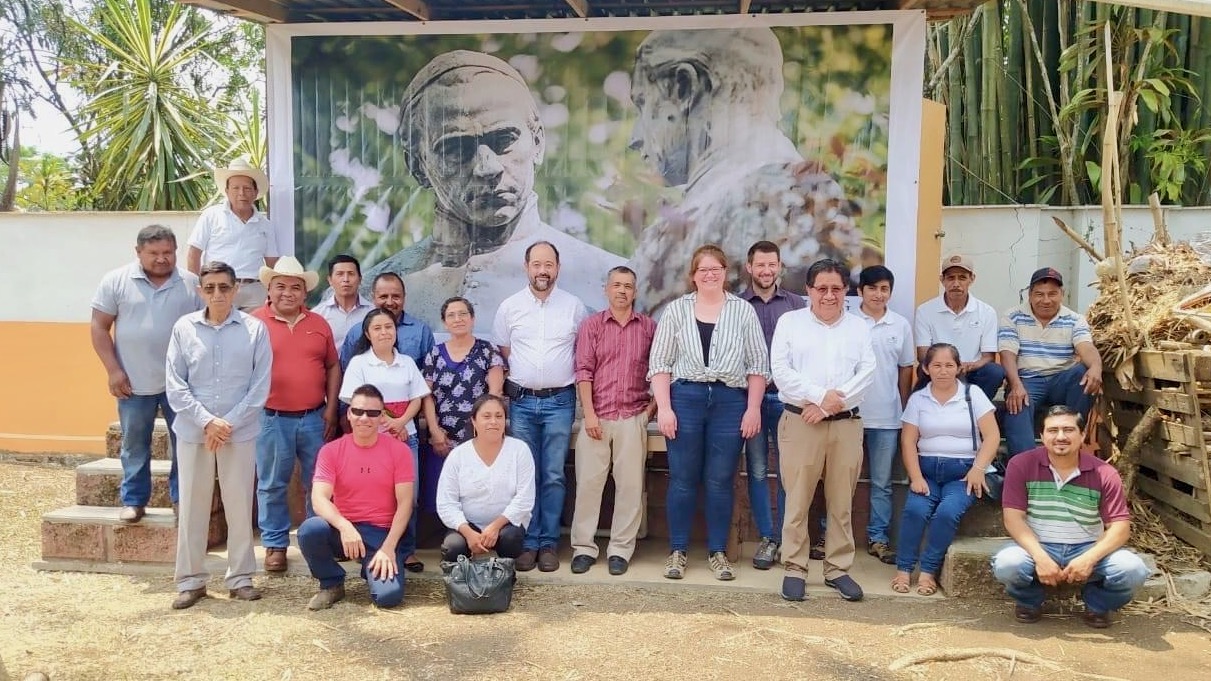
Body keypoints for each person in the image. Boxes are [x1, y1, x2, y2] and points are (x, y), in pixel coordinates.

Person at [362, 50, 623, 332]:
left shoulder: (605, 282)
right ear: (418, 166)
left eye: (503, 140)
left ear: (537, 142)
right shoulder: (369, 295)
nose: (487, 168)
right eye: (456, 148)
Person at [626, 28, 864, 313]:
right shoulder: (761, 194)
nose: (635, 138)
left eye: (642, 104)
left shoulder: (794, 196)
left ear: (684, 87)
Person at [648, 244, 768, 581]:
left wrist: (753, 409)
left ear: (726, 272)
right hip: (685, 398)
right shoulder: (676, 311)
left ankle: (717, 552)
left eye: (716, 269)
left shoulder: (743, 311)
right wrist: (665, 409)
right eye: (703, 270)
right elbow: (659, 364)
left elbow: (758, 366)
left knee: (720, 481)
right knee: (683, 479)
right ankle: (677, 551)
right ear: (694, 275)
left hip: (730, 402)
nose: (710, 275)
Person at [165, 261, 272, 609]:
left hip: (238, 434)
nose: (217, 294)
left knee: (239, 505)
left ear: (235, 288)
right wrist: (208, 422)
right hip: (195, 433)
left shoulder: (255, 329)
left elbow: (259, 388)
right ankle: (191, 580)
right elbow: (176, 385)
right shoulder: (184, 328)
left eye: (224, 287)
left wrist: (226, 424)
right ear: (200, 291)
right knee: (193, 505)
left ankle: (241, 578)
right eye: (209, 287)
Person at [771, 258, 875, 602]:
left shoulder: (859, 328)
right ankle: (795, 568)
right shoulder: (790, 322)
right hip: (801, 422)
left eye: (836, 288)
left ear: (846, 291)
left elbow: (867, 374)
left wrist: (830, 406)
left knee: (841, 502)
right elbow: (781, 371)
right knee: (797, 499)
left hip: (845, 425)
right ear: (809, 290)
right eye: (821, 288)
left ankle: (837, 569)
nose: (829, 295)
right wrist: (817, 398)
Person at [992, 406, 1150, 628]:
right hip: (1039, 545)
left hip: (1087, 546)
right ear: (1041, 435)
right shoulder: (1021, 465)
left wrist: (1089, 558)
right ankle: (1029, 600)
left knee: (1133, 570)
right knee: (1007, 564)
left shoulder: (1104, 472)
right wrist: (1040, 557)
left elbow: (1120, 527)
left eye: (1068, 430)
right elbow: (1013, 518)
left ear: (1082, 435)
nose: (1060, 437)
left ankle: (1097, 604)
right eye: (1052, 430)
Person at [90, 225, 201, 523]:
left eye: (168, 252)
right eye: (154, 253)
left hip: (181, 385)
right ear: (138, 252)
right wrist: (113, 371)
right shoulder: (116, 281)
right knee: (135, 444)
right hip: (133, 383)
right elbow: (99, 327)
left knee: (186, 445)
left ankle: (183, 501)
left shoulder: (192, 284)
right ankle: (134, 501)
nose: (162, 259)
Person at [493, 241, 589, 572]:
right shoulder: (509, 307)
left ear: (558, 268)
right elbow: (505, 353)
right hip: (522, 402)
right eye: (537, 264)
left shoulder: (574, 307)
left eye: (549, 264)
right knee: (526, 475)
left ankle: (548, 543)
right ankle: (528, 542)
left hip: (560, 401)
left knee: (553, 474)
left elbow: (581, 353)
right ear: (526, 267)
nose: (543, 271)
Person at [251, 256, 340, 573]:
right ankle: (275, 545)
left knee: (320, 483)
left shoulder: (319, 324)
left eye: (295, 288)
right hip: (271, 419)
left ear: (305, 294)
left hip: (314, 418)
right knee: (272, 483)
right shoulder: (253, 323)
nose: (287, 293)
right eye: (281, 286)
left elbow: (332, 365)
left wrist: (330, 409)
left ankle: (316, 541)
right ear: (270, 289)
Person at [891, 343, 999, 596]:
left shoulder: (973, 395)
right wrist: (915, 477)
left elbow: (992, 436)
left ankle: (928, 572)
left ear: (959, 367)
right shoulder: (918, 399)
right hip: (927, 470)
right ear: (926, 369)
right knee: (915, 511)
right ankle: (904, 570)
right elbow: (908, 441)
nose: (943, 371)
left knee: (947, 513)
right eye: (936, 365)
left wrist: (978, 468)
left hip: (964, 472)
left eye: (949, 365)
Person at [570, 266, 657, 576]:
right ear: (606, 289)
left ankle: (620, 549)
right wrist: (589, 414)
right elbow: (583, 371)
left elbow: (661, 370)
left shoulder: (648, 328)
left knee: (630, 488)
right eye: (616, 284)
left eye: (628, 286)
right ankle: (583, 548)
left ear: (635, 292)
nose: (622, 290)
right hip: (597, 418)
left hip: (632, 418)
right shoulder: (591, 326)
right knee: (589, 486)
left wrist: (650, 410)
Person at [297, 384, 415, 610]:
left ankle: (370, 565)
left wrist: (389, 547)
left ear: (382, 417)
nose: (364, 418)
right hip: (344, 530)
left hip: (381, 532)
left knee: (388, 598)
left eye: (372, 413)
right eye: (358, 411)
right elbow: (319, 498)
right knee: (310, 530)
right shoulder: (331, 451)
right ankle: (331, 583)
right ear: (349, 414)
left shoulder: (399, 451)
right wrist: (344, 526)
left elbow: (405, 504)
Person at [340, 307, 431, 573]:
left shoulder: (407, 362)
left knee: (408, 498)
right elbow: (354, 400)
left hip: (407, 439)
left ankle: (407, 551)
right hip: (372, 442)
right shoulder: (359, 364)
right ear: (368, 334)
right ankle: (373, 548)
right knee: (378, 496)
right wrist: (387, 422)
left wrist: (401, 423)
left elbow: (417, 397)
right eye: (377, 328)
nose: (384, 332)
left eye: (388, 327)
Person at [738, 240, 806, 570]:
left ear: (780, 267)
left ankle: (786, 538)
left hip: (786, 400)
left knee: (789, 473)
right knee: (757, 470)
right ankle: (768, 538)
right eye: (760, 265)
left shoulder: (796, 306)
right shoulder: (735, 306)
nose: (766, 271)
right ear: (749, 267)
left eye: (772, 265)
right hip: (749, 402)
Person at [1000, 268, 1104, 457]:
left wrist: (1096, 367)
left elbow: (1086, 347)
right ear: (1030, 295)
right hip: (1027, 381)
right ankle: (1027, 467)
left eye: (1052, 294)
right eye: (1039, 294)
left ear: (1062, 294)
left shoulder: (1074, 319)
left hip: (1060, 381)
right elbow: (1007, 353)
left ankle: (1072, 441)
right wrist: (1015, 384)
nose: (1046, 300)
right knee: (1018, 403)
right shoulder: (1013, 316)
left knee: (1082, 372)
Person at [419, 297, 505, 512]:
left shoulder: (487, 351)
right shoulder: (435, 353)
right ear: (444, 322)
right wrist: (435, 431)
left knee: (477, 495)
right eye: (451, 315)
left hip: (478, 434)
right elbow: (426, 395)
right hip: (444, 437)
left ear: (472, 318)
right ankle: (452, 538)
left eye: (463, 314)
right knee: (443, 495)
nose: (458, 319)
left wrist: (481, 432)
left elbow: (495, 393)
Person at [853, 265, 915, 565]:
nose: (879, 294)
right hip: (849, 416)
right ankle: (830, 538)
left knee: (882, 484)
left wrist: (903, 408)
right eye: (873, 288)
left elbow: (906, 369)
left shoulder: (900, 325)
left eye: (884, 289)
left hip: (888, 418)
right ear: (859, 291)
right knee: (841, 482)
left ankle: (878, 538)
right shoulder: (847, 322)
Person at [435, 394, 536, 562]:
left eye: (499, 416)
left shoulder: (520, 450)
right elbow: (446, 503)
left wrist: (495, 527)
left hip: (505, 525)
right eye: (486, 416)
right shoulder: (458, 455)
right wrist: (468, 533)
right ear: (474, 421)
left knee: (511, 541)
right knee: (453, 547)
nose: (493, 422)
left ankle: (503, 578)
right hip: (468, 524)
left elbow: (525, 499)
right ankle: (465, 581)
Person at [186, 159, 280, 312]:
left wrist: (272, 291)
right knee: (217, 331)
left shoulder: (265, 225)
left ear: (255, 193)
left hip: (254, 292)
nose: (241, 193)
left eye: (247, 188)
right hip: (219, 288)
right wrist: (198, 287)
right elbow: (193, 254)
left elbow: (272, 262)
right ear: (227, 191)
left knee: (253, 333)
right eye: (236, 188)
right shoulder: (211, 215)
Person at [913, 254, 1004, 401]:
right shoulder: (925, 310)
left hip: (972, 371)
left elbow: (988, 357)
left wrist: (971, 366)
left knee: (995, 372)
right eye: (950, 278)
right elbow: (923, 354)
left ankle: (975, 411)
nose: (956, 284)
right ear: (942, 280)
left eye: (962, 277)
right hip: (940, 369)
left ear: (972, 279)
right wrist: (948, 366)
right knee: (923, 369)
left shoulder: (987, 312)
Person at [338, 272, 434, 371]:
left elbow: (430, 375)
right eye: (383, 297)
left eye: (396, 296)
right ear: (373, 297)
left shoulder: (421, 331)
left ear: (404, 297)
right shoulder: (357, 332)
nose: (389, 302)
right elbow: (346, 372)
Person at [313, 254, 373, 349]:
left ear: (360, 279)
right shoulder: (318, 315)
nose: (346, 279)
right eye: (340, 274)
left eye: (351, 274)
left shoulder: (373, 313)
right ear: (330, 280)